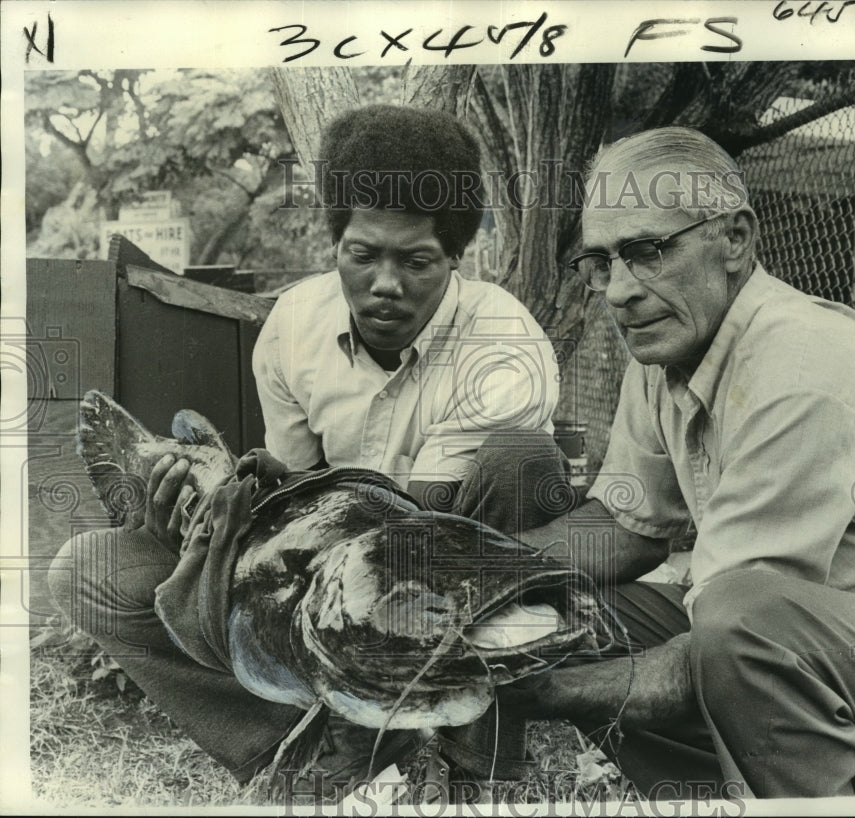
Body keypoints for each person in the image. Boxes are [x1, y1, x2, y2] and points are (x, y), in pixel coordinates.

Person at [48, 105, 564, 793]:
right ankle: (301, 747)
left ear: (455, 258)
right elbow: (296, 498)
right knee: (88, 569)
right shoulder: (293, 323)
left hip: (441, 572)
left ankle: (476, 756)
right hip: (328, 574)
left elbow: (416, 533)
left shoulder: (508, 345)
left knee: (520, 460)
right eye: (362, 255)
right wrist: (219, 506)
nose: (386, 284)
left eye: (415, 261)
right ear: (334, 245)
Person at [503, 126, 855, 799]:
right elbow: (627, 528)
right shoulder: (667, 346)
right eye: (600, 263)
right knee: (585, 617)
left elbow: (724, 644)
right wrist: (468, 572)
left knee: (733, 625)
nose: (618, 291)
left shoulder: (802, 369)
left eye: (647, 251)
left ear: (736, 240)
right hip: (849, 657)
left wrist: (534, 690)